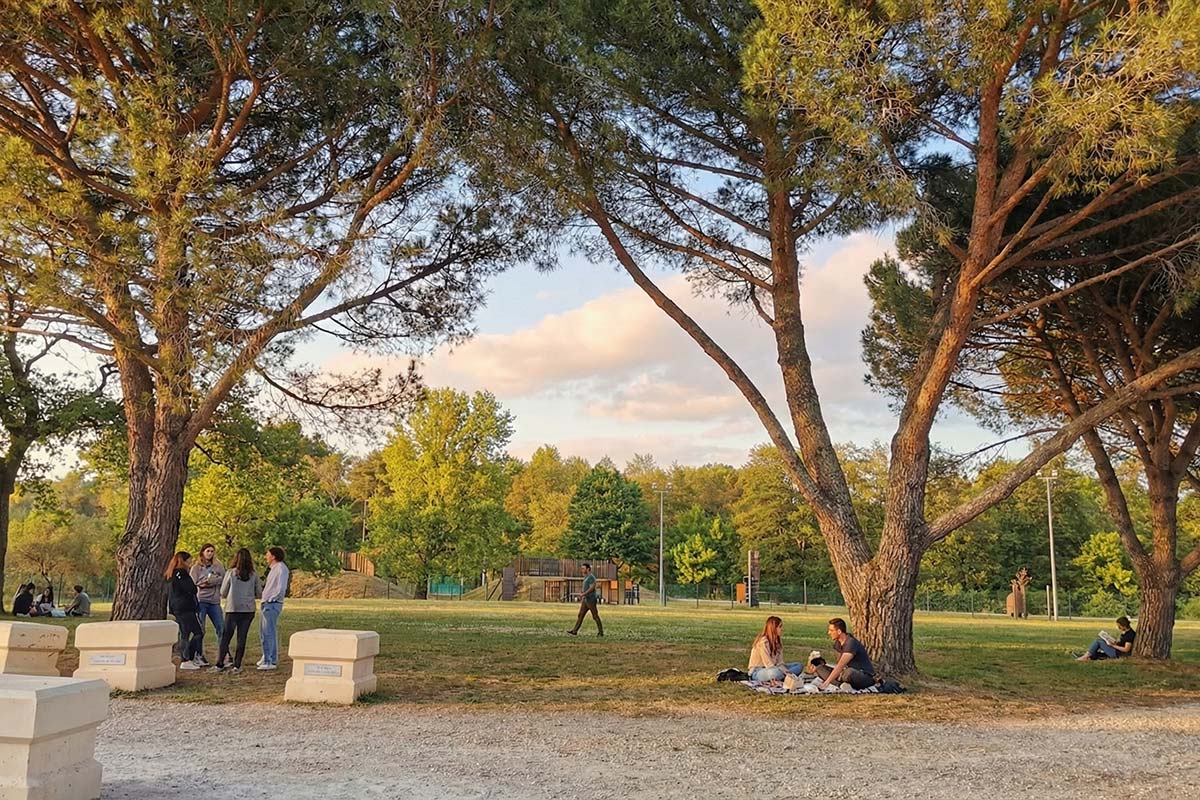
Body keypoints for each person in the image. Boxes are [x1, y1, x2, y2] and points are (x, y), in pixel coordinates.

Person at [214, 548, 261, 673]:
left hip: (232, 608)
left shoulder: (231, 573)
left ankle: (220, 663)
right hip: (248, 609)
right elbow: (259, 593)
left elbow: (223, 592)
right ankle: (237, 664)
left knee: (226, 637)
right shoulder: (254, 574)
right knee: (242, 637)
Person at [165, 551, 204, 670]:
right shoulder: (181, 573)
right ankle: (188, 657)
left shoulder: (171, 574)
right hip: (184, 607)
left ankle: (185, 657)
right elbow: (191, 588)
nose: (191, 563)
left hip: (176, 606)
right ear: (184, 561)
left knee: (185, 633)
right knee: (198, 632)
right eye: (189, 560)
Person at [813, 617, 876, 691]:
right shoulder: (837, 643)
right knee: (820, 668)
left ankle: (837, 683)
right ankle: (841, 685)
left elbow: (841, 665)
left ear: (839, 631)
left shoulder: (850, 643)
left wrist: (826, 683)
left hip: (862, 675)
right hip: (844, 672)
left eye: (831, 630)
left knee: (848, 673)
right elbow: (839, 664)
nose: (829, 633)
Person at [190, 543, 225, 666]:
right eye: (208, 551)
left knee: (221, 627)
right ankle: (199, 655)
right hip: (202, 600)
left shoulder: (218, 565)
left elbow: (223, 578)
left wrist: (213, 581)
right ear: (203, 552)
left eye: (212, 551)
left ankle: (223, 654)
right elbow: (193, 582)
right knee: (201, 629)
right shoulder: (196, 568)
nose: (210, 553)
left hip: (214, 601)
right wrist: (203, 583)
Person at [257, 546, 289, 670]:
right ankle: (267, 656)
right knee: (264, 631)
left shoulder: (281, 568)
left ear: (273, 556)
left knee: (268, 632)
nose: (266, 556)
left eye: (268, 554)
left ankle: (269, 660)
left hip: (272, 604)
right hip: (267, 602)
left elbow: (280, 587)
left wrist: (272, 598)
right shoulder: (273, 569)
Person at [747, 615, 805, 682]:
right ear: (773, 628)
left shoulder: (777, 641)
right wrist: (784, 671)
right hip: (759, 671)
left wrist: (785, 670)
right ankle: (786, 676)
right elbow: (768, 664)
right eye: (780, 627)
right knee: (774, 673)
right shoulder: (763, 642)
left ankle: (785, 676)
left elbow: (780, 662)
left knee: (798, 666)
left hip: (776, 668)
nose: (782, 629)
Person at [566, 562, 603, 637]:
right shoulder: (586, 577)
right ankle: (575, 631)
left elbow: (592, 588)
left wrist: (584, 593)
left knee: (595, 616)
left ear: (588, 569)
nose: (582, 570)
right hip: (585, 600)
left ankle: (601, 632)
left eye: (583, 568)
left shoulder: (591, 577)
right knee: (580, 615)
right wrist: (582, 595)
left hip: (591, 600)